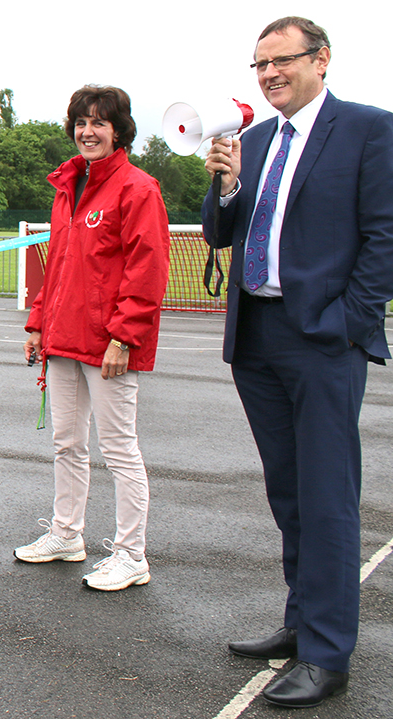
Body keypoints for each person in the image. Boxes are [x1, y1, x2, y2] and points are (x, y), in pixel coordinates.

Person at [201, 17, 393, 708]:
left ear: (322, 60)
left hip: (323, 340)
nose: (269, 73)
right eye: (259, 64)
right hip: (257, 337)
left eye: (281, 60)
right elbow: (220, 233)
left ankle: (327, 651)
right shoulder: (250, 140)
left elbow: (384, 237)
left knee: (328, 498)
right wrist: (223, 189)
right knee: (289, 492)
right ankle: (301, 619)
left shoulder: (370, 130)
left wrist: (348, 324)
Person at [14, 85, 170, 595]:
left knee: (120, 449)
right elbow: (57, 263)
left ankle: (130, 554)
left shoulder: (137, 188)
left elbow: (147, 270)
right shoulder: (68, 187)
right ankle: (66, 535)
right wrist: (38, 321)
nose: (88, 131)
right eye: (81, 122)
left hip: (109, 346)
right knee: (67, 444)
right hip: (63, 339)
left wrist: (124, 337)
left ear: (119, 130)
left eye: (99, 123)